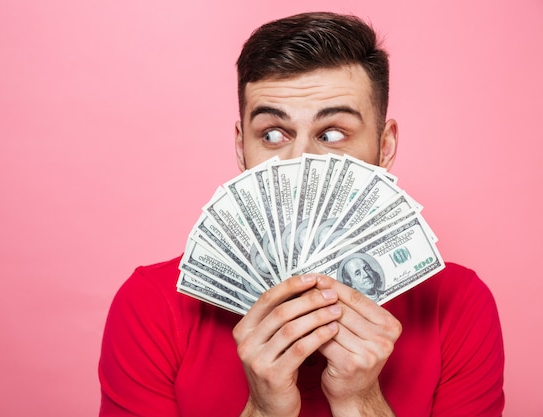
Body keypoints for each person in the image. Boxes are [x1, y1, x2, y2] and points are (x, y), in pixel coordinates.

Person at [98, 12, 504, 417]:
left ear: (385, 146)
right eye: (272, 134)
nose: (301, 162)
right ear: (241, 147)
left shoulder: (458, 307)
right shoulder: (152, 306)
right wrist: (262, 409)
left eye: (332, 134)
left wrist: (360, 401)